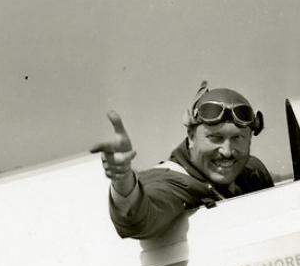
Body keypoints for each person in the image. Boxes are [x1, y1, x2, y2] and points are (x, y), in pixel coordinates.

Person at [90, 82, 274, 240]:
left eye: (237, 138)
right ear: (191, 136)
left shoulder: (253, 171)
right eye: (215, 138)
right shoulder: (173, 181)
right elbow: (136, 218)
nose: (227, 151)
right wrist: (123, 182)